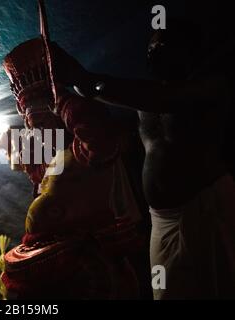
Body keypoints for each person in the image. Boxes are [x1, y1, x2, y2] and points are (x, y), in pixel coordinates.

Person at [50, 20, 235, 299]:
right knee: (165, 292)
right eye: (150, 47)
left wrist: (83, 79)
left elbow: (165, 100)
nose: (153, 52)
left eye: (162, 45)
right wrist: (64, 97)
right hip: (162, 217)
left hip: (204, 207)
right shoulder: (144, 95)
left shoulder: (209, 86)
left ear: (188, 51)